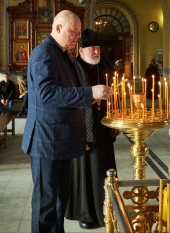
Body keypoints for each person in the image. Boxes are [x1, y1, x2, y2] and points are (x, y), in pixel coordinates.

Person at [21, 10, 112, 233]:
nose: (77, 38)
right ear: (58, 27)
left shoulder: (61, 53)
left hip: (61, 141)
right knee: (46, 205)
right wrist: (89, 93)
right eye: (74, 32)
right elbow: (47, 95)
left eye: (79, 34)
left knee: (60, 204)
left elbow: (66, 92)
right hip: (47, 141)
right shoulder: (44, 53)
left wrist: (92, 99)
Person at [65, 29, 118, 229]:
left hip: (104, 125)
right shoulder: (74, 68)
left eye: (97, 47)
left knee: (106, 167)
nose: (96, 52)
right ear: (81, 50)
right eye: (91, 48)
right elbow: (69, 96)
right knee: (87, 170)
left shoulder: (105, 66)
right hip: (83, 127)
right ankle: (87, 214)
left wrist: (116, 121)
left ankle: (108, 209)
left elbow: (114, 94)